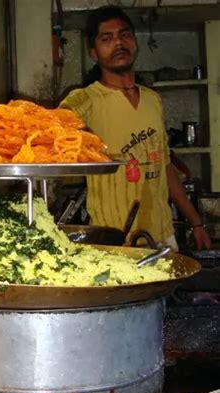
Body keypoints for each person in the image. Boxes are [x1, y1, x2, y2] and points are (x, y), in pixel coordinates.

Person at [60, 6, 211, 250]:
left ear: (135, 42)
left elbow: (165, 166)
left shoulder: (153, 99)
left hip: (162, 236)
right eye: (106, 39)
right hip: (114, 241)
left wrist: (196, 223)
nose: (118, 43)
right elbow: (58, 120)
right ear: (94, 53)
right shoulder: (86, 99)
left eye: (125, 35)